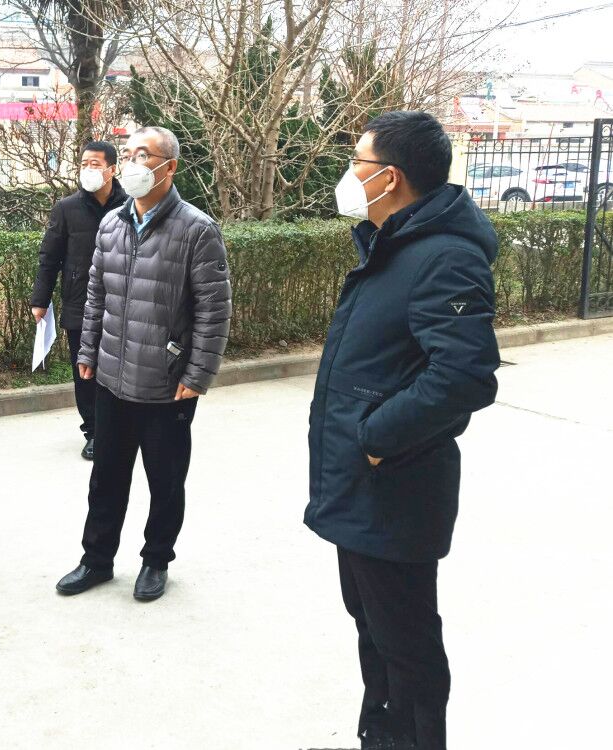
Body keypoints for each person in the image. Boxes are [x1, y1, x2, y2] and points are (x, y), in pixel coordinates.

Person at [304, 111, 500, 750]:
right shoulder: (391, 244)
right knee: (372, 627)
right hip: (362, 487)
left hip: (395, 489)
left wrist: (374, 437)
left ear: (389, 177)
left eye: (357, 162)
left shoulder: (445, 257)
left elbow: (465, 376)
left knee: (407, 644)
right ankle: (381, 736)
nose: (348, 174)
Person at [55, 126, 232, 602]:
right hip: (111, 377)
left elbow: (214, 311)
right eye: (129, 153)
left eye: (143, 155)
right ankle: (96, 559)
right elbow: (96, 295)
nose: (133, 163)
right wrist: (88, 351)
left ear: (169, 167)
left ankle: (156, 560)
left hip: (166, 384)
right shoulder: (111, 225)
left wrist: (198, 375)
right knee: (105, 478)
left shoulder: (197, 229)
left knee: (165, 481)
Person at [30, 141, 128, 460]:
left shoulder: (132, 206)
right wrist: (40, 300)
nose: (88, 169)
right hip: (80, 302)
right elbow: (49, 257)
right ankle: (94, 432)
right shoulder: (67, 208)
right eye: (83, 163)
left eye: (95, 164)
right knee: (85, 370)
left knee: (122, 368)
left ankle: (120, 429)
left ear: (112, 169)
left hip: (124, 303)